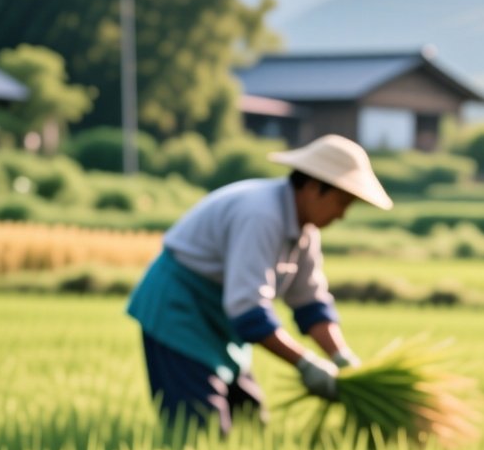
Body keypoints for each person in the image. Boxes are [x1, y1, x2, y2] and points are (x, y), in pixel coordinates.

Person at [127, 135, 392, 433]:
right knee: (202, 430)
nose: (342, 214)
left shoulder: (304, 232)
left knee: (250, 426)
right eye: (341, 202)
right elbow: (247, 309)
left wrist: (341, 358)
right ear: (314, 187)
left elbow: (310, 303)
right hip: (179, 311)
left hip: (220, 320)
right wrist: (306, 364)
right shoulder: (261, 215)